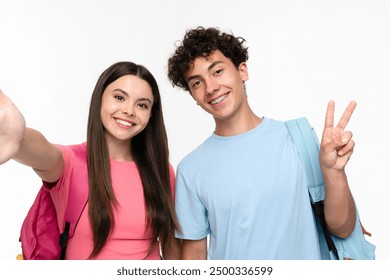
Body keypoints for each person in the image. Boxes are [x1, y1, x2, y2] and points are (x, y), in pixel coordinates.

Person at [167, 26, 357, 260]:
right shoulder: (191, 169)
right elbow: (194, 259)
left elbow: (342, 228)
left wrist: (334, 172)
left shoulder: (297, 138)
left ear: (242, 70)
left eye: (217, 71)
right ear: (193, 97)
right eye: (196, 83)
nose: (210, 87)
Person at [0, 61, 181, 260]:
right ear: (100, 99)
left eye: (142, 105)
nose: (129, 110)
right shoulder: (72, 163)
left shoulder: (162, 171)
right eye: (119, 97)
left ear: (151, 114)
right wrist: (19, 137)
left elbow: (171, 246)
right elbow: (44, 153)